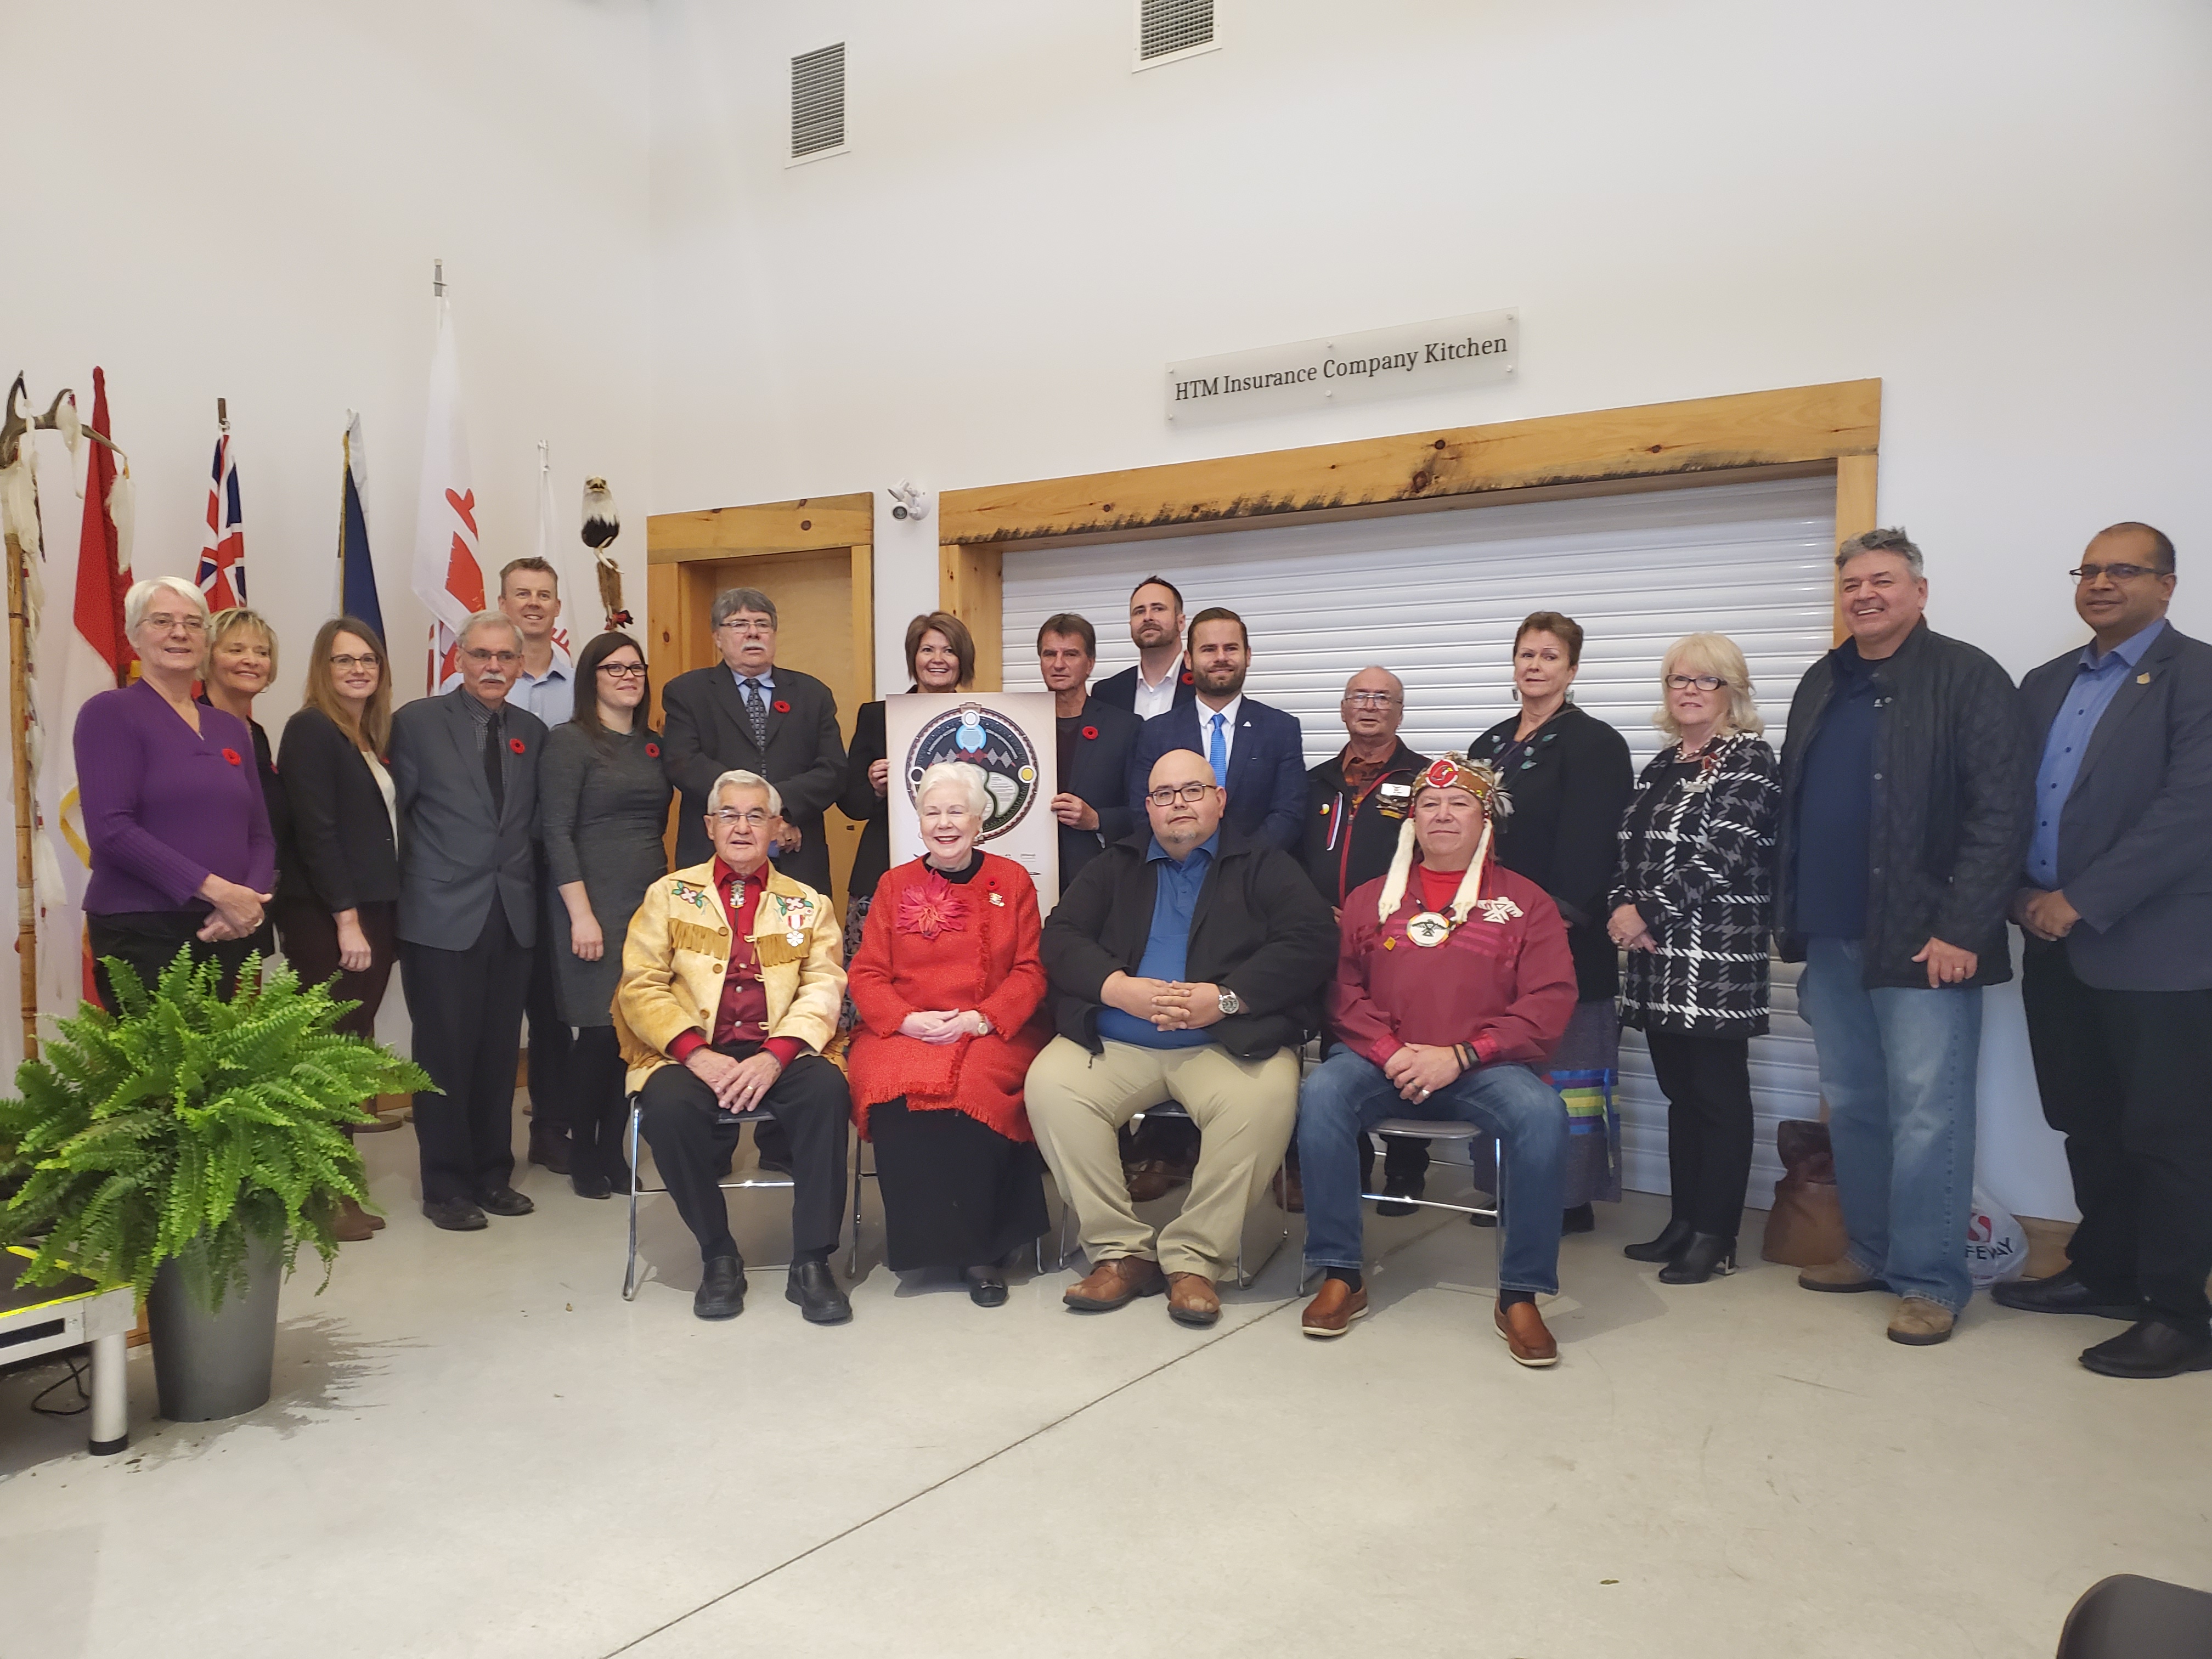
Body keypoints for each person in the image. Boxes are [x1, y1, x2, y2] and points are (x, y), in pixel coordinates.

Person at [1775, 528, 2029, 1347]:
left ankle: (1930, 1281)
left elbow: (2002, 813)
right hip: (1835, 935)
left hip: (1927, 943)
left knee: (1930, 1114)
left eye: (1882, 580)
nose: (1865, 595)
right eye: (1852, 583)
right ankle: (1873, 1252)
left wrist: (1964, 927)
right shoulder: (1823, 681)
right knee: (1854, 1106)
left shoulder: (1967, 676)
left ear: (1920, 592)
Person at [1999, 523, 2212, 1380]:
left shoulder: (2198, 678)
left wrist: (2080, 900)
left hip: (2160, 950)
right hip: (2053, 943)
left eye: (2123, 570)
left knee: (2168, 1135)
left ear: (2167, 585)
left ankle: (2177, 1313)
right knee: (2085, 1119)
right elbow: (2008, 800)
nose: (2100, 583)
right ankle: (2105, 1272)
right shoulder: (2046, 683)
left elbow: (2190, 814)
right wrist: (2016, 893)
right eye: (2088, 570)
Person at [1026, 748, 1336, 1329]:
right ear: (1148, 807)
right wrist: (1119, 989)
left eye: (1193, 791)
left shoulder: (1264, 864)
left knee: (1265, 1099)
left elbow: (1311, 940)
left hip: (1226, 1042)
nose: (1179, 805)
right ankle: (1121, 1252)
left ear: (1220, 800)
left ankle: (1195, 1260)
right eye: (1165, 795)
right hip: (1117, 1039)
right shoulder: (1115, 864)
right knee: (1050, 1085)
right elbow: (1062, 936)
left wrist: (1222, 998)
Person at [1294, 754, 1576, 1364]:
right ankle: (1341, 1271)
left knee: (1542, 1115)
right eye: (1430, 805)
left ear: (1485, 822)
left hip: (1484, 1069)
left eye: (1460, 805)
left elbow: (1551, 1000)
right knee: (1320, 1096)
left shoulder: (1527, 903)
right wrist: (1392, 1050)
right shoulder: (1371, 900)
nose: (1443, 815)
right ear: (1412, 821)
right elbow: (1343, 992)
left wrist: (1464, 1053)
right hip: (1381, 1062)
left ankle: (1520, 1293)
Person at [616, 770, 853, 1324]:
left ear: (776, 826)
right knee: (668, 1109)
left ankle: (812, 1260)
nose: (742, 827)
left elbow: (825, 984)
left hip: (781, 1049)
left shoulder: (808, 903)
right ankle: (718, 1252)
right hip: (691, 1051)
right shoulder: (669, 895)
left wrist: (778, 1055)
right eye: (729, 814)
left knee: (827, 1092)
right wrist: (696, 1052)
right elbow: (640, 984)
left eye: (755, 816)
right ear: (708, 825)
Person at [1607, 634, 1780, 1285]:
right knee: (1681, 1094)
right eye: (1678, 679)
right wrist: (1624, 906)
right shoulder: (1663, 764)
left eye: (1703, 681)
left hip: (1715, 956)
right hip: (1657, 957)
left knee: (1717, 1096)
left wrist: (1643, 912)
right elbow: (1625, 849)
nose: (1688, 690)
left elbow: (1724, 855)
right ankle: (1683, 1223)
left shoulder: (1750, 759)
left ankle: (1718, 1235)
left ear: (1731, 690)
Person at [846, 762, 1051, 1306]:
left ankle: (983, 1251)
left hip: (990, 1028)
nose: (944, 823)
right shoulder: (894, 884)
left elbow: (1032, 969)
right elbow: (865, 973)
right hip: (903, 1028)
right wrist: (904, 1019)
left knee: (971, 1092)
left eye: (956, 811)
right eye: (932, 812)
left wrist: (979, 1019)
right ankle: (927, 1244)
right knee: (895, 1090)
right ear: (917, 823)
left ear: (981, 821)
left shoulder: (1011, 881)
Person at [1468, 611, 1634, 1232]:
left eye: (1549, 657)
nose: (1534, 667)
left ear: (1573, 668)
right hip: (1488, 934)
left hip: (1564, 940)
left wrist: (1551, 921)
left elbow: (1592, 845)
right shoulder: (1488, 746)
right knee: (1500, 1062)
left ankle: (1568, 1200)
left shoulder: (1595, 743)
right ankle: (1505, 1184)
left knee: (1567, 1070)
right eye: (1526, 655)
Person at [392, 611, 548, 1232]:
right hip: (440, 916)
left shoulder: (533, 732)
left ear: (520, 663)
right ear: (459, 660)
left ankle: (492, 1174)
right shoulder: (417, 723)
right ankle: (446, 1185)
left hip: (511, 915)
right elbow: (396, 819)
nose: (493, 667)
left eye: (505, 657)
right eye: (481, 656)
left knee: (497, 1055)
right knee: (444, 1055)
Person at [76, 575, 273, 1007]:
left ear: (205, 638)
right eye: (162, 621)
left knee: (218, 1073)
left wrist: (248, 901)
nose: (179, 633)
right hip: (143, 929)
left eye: (192, 623)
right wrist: (218, 891)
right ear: (134, 636)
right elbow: (111, 830)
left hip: (226, 928)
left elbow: (259, 833)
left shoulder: (228, 727)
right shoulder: (109, 713)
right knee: (159, 1074)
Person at [276, 617, 404, 1243]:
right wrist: (348, 921)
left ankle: (336, 1186)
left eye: (368, 661)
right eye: (343, 660)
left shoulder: (362, 736)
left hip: (372, 910)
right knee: (328, 1055)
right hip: (329, 918)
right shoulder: (309, 730)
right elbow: (317, 832)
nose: (357, 670)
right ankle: (323, 1195)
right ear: (321, 671)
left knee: (346, 1052)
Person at [539, 631, 671, 1200]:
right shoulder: (569, 743)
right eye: (613, 668)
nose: (627, 676)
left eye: (635, 667)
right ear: (591, 676)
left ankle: (616, 1152)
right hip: (590, 904)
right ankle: (583, 1154)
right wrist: (580, 915)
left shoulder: (653, 745)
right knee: (596, 1034)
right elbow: (556, 833)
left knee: (635, 1033)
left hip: (647, 905)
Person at [1296, 665, 1432, 1214]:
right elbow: (1289, 860)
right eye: (1360, 696)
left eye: (1383, 697)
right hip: (1325, 943)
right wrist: (1310, 913)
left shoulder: (1427, 780)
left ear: (1400, 712)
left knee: (1404, 1045)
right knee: (1339, 1052)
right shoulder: (1314, 782)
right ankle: (1348, 1164)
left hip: (1399, 944)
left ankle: (1406, 1169)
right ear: (1344, 707)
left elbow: (1440, 862)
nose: (1370, 706)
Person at [661, 585, 847, 895]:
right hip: (712, 858)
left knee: (797, 941)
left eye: (762, 624)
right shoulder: (687, 692)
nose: (753, 633)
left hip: (795, 855)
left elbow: (833, 769)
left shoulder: (812, 694)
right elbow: (683, 762)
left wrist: (780, 814)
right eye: (739, 625)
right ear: (717, 638)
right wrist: (758, 813)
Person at [493, 556, 576, 1178]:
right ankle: (488, 1138)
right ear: (502, 601)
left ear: (556, 606)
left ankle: (553, 1126)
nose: (533, 604)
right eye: (521, 594)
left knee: (553, 1008)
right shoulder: (477, 684)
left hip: (565, 869)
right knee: (499, 1007)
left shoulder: (582, 682)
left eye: (544, 595)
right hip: (501, 872)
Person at [839, 611, 976, 950]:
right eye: (928, 650)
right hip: (884, 866)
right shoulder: (876, 716)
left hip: (962, 870)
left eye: (949, 651)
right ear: (913, 658)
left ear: (963, 661)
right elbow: (851, 804)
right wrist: (874, 787)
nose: (938, 660)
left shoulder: (983, 721)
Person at [1127, 607, 1308, 851]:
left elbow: (1289, 814)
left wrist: (1241, 866)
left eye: (1231, 648)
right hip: (1178, 872)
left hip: (1255, 876)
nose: (1221, 657)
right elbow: (1143, 811)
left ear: (1248, 656)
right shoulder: (1156, 732)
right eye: (1209, 649)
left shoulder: (1281, 729)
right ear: (1189, 660)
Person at [202, 607, 288, 964]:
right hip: (203, 910)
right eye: (235, 650)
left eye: (262, 652)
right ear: (207, 657)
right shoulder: (191, 728)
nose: (251, 660)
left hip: (252, 904)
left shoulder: (259, 735)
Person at [1037, 613, 1141, 891]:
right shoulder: (1019, 725)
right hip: (1029, 872)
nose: (1059, 664)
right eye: (1049, 654)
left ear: (1090, 664)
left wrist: (1096, 819)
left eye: (1071, 654)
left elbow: (1142, 810)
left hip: (1099, 876)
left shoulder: (1125, 727)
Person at [1091, 575, 1197, 720]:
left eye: (1158, 609)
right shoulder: (1107, 693)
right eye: (1139, 611)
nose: (1148, 617)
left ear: (1181, 622)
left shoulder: (1204, 684)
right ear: (1131, 625)